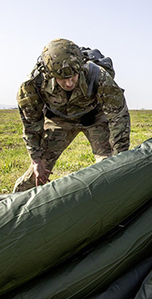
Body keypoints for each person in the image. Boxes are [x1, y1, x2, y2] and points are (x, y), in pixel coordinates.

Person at [13, 38, 130, 193]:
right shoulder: (32, 85)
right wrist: (36, 159)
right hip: (59, 120)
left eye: (73, 76)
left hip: (94, 118)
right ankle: (15, 202)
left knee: (109, 167)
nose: (69, 83)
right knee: (37, 173)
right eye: (62, 79)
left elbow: (118, 117)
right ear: (49, 74)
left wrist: (120, 157)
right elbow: (31, 124)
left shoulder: (98, 76)